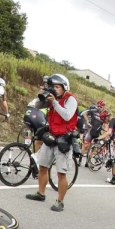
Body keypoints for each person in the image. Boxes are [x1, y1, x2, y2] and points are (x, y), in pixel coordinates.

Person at [24, 73, 77, 213]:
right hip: (51, 136)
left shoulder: (70, 99)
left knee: (61, 173)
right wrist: (43, 96)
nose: (55, 89)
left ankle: (60, 201)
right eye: (53, 87)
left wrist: (54, 102)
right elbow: (37, 105)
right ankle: (41, 193)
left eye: (57, 87)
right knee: (42, 167)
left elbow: (67, 115)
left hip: (64, 139)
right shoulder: (51, 97)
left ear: (64, 87)